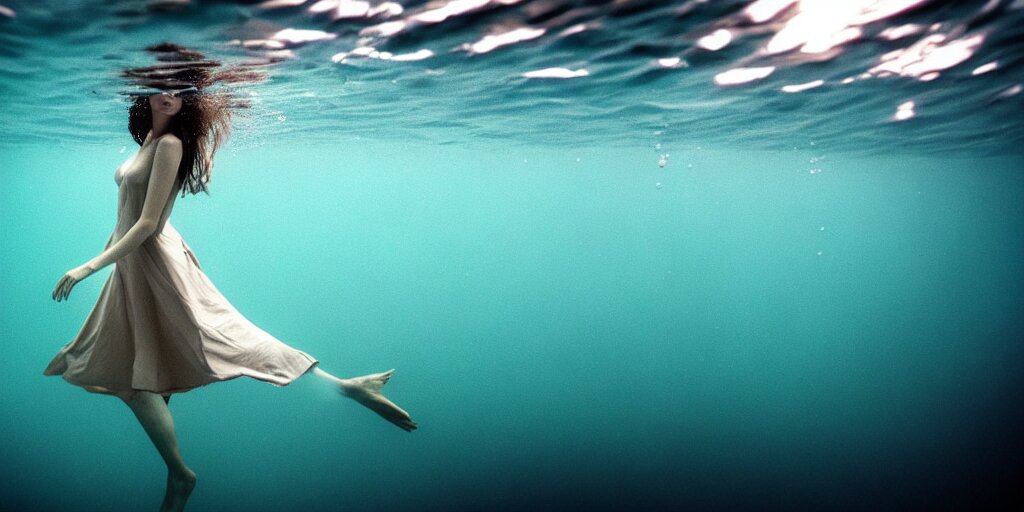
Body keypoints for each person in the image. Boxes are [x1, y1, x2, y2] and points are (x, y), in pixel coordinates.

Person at [45, 43, 417, 512]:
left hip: (154, 259)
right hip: (133, 262)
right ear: (145, 93)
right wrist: (108, 260)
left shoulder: (171, 145)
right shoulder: (149, 142)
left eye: (179, 91)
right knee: (148, 364)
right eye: (160, 87)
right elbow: (127, 219)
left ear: (187, 100)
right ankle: (342, 387)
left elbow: (147, 224)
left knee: (202, 346)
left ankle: (182, 474)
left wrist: (88, 267)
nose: (168, 95)